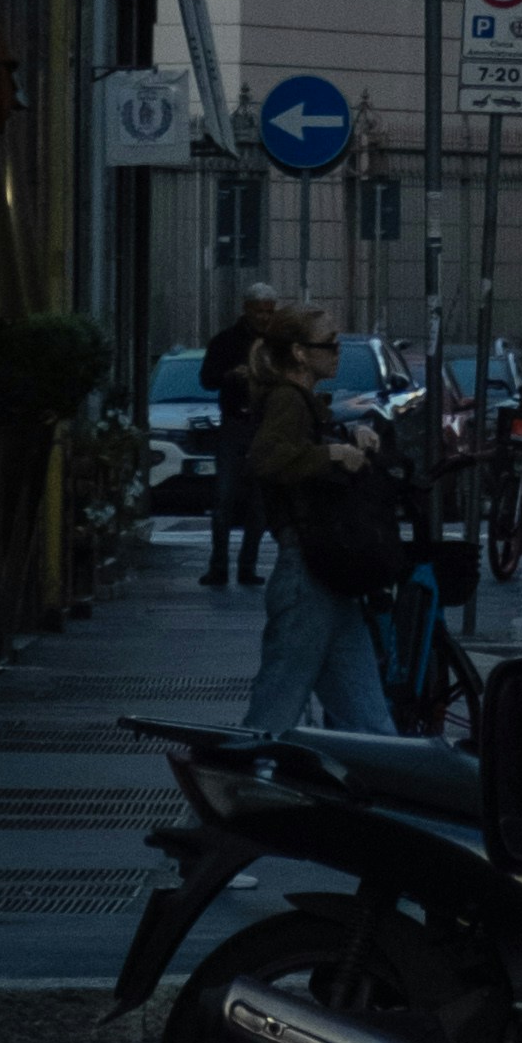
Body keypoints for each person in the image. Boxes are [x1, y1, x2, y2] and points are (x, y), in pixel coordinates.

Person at [235, 305, 391, 743]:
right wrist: (335, 455)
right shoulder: (287, 398)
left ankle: (378, 791)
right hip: (308, 570)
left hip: (324, 573)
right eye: (329, 344)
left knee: (366, 719)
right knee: (275, 711)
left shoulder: (301, 401)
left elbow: (300, 450)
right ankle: (239, 792)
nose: (338, 352)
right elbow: (267, 458)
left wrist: (347, 436)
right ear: (301, 353)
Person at [195, 291, 269, 594]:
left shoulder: (275, 343)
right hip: (235, 423)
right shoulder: (226, 341)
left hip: (262, 425)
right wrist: (230, 375)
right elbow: (208, 378)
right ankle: (219, 566)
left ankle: (246, 566)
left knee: (259, 502)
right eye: (260, 311)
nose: (265, 317)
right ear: (247, 310)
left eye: (269, 311)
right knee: (223, 499)